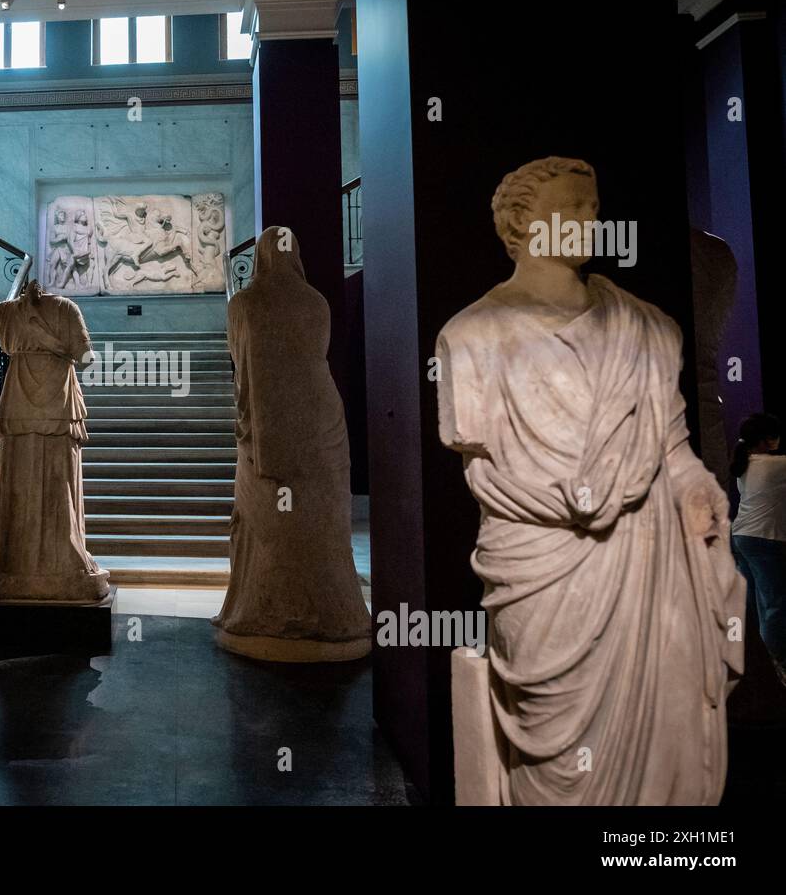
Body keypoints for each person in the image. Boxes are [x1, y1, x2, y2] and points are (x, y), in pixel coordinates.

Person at [435, 156, 743, 804]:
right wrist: (582, 498)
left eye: (593, 207)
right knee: (557, 767)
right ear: (519, 224)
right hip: (540, 572)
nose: (589, 220)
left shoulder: (648, 328)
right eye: (570, 207)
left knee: (661, 746)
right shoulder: (470, 337)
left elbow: (674, 448)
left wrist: (696, 488)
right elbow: (485, 469)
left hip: (644, 562)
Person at [211, 226, 372, 661]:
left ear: (260, 257)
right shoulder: (316, 302)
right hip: (320, 425)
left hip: (264, 424)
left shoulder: (243, 304)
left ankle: (266, 611)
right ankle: (330, 612)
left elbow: (240, 362)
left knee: (272, 522)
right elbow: (315, 355)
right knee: (320, 521)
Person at [0, 263, 109, 602]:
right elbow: (88, 357)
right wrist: (59, 346)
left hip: (21, 401)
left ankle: (16, 558)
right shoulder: (65, 309)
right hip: (58, 403)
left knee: (20, 475)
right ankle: (61, 559)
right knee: (58, 478)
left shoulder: (8, 312)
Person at [730, 413, 785, 684]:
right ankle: (775, 663)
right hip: (764, 541)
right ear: (764, 440)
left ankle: (752, 661)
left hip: (741, 538)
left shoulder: (746, 463)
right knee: (773, 604)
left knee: (752, 603)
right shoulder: (774, 466)